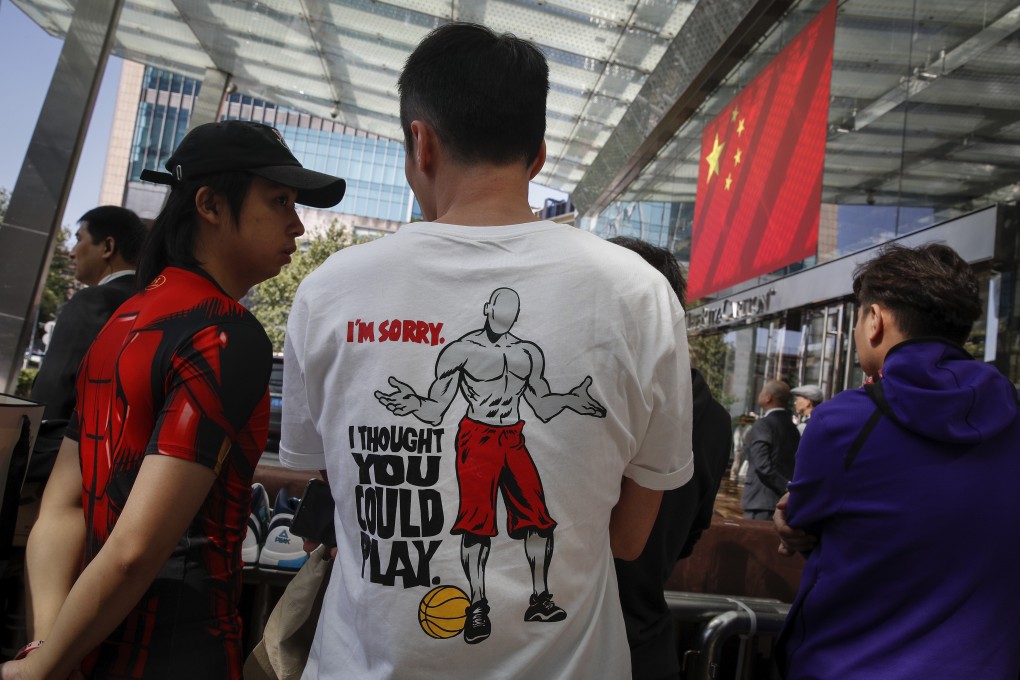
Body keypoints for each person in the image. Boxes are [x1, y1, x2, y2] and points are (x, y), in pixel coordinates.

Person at [281, 22, 694, 679]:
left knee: (526, 520)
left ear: (421, 141)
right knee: (478, 524)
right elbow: (627, 536)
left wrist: (569, 399)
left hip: (374, 654)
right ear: (537, 153)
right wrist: (417, 402)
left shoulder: (330, 290)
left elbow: (343, 499)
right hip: (480, 443)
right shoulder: (640, 295)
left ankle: (534, 596)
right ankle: (477, 602)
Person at [1, 120, 345, 679]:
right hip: (177, 651)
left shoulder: (124, 320)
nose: (298, 226)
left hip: (82, 637)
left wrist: (49, 648)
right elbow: (137, 547)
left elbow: (64, 506)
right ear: (209, 204)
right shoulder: (225, 333)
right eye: (279, 200)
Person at [775, 243, 1020, 679]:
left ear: (875, 320)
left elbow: (803, 522)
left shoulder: (843, 422)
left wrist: (788, 521)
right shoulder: (1011, 415)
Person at [607, 237, 731, 680]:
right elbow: (691, 533)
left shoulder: (592, 402)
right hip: (647, 642)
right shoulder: (713, 418)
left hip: (571, 642)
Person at [28, 206, 147, 478]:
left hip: (65, 469)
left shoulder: (93, 300)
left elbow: (54, 390)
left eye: (79, 238)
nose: (72, 251)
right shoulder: (155, 305)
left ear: (107, 246)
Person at [740, 380, 799, 520]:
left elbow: (761, 463)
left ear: (768, 397)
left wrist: (785, 486)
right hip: (781, 501)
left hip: (760, 501)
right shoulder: (793, 428)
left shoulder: (763, 425)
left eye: (762, 391)